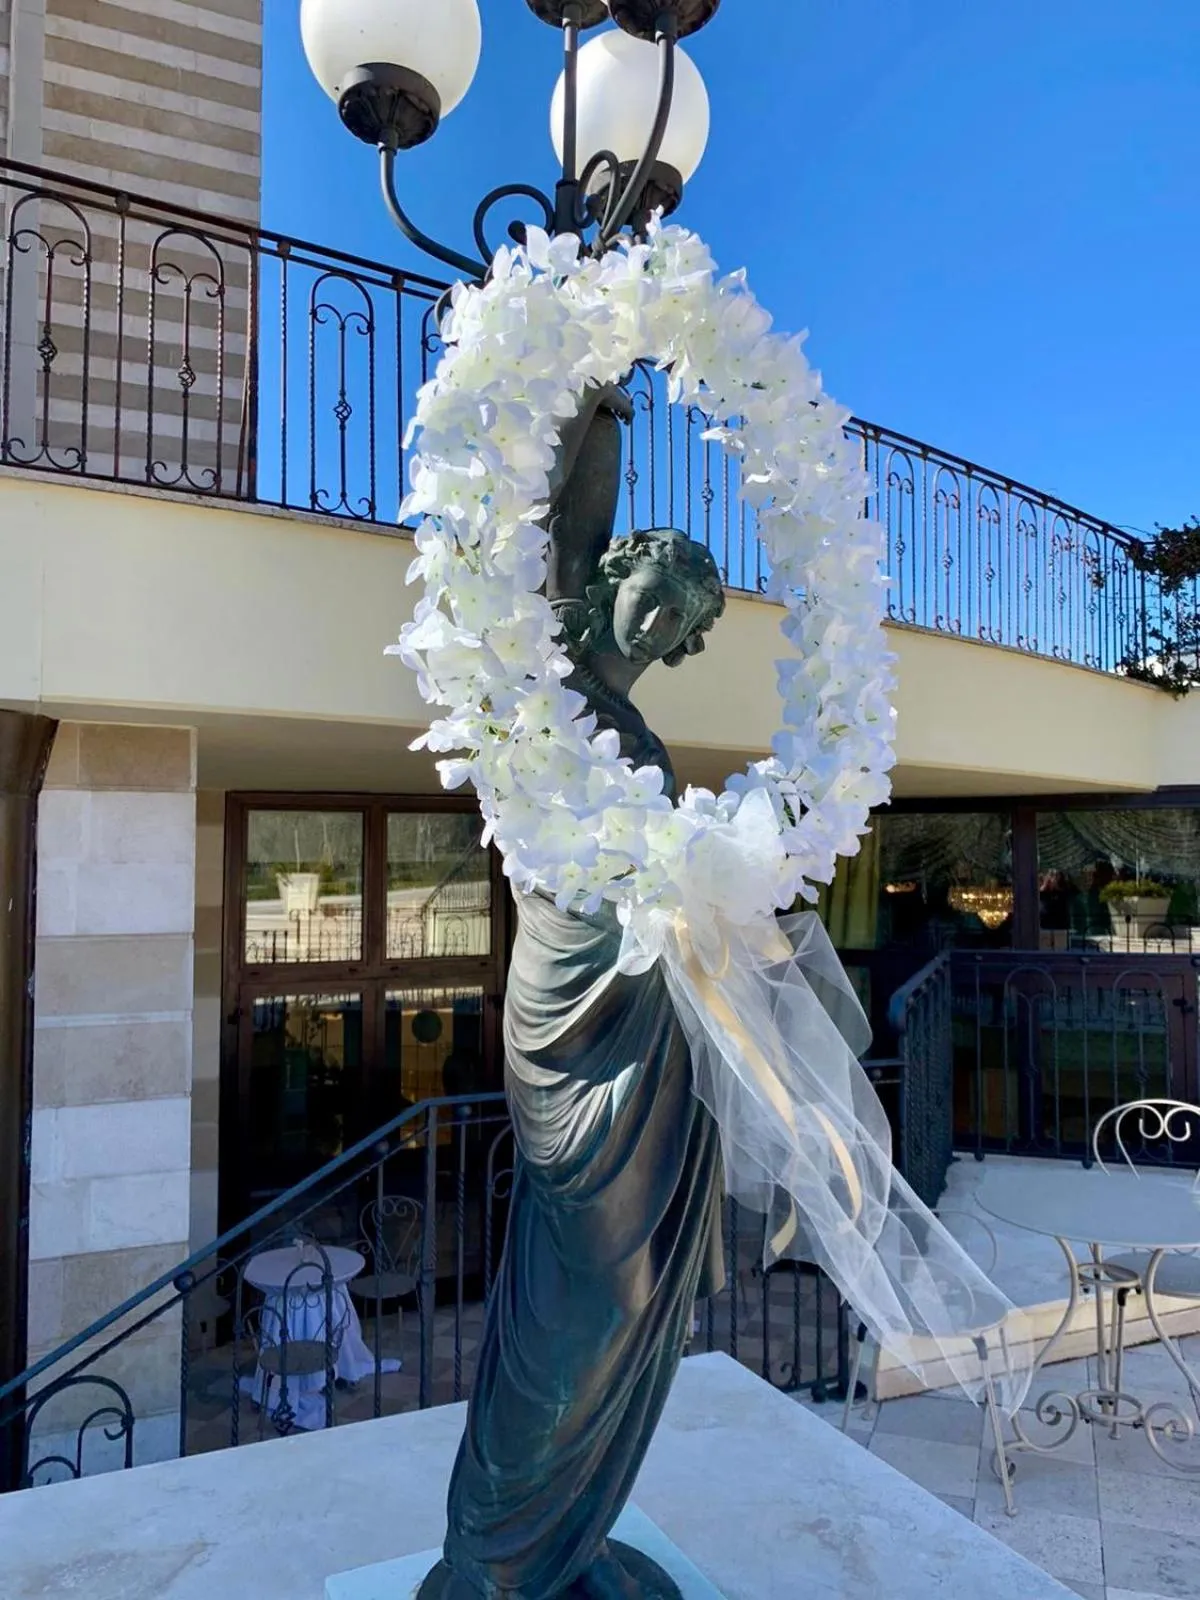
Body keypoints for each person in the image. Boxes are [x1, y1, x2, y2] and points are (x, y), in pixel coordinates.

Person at [425, 385, 727, 1600]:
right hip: (567, 1020)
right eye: (660, 595)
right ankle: (492, 1553)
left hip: (647, 1016)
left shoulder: (637, 726)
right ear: (615, 577)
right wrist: (588, 379)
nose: (663, 628)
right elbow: (567, 512)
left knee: (637, 1291)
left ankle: (568, 1540)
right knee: (586, 1292)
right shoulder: (545, 666)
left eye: (687, 623)